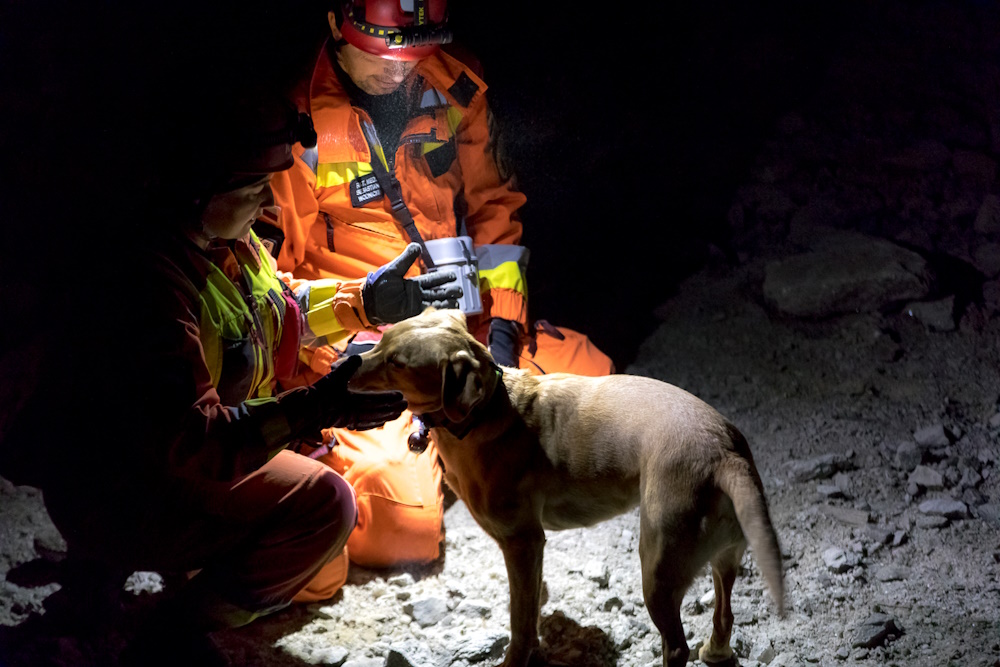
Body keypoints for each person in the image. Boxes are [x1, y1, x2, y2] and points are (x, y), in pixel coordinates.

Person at [0, 90, 461, 666]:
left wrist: (362, 302)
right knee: (324, 505)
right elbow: (192, 440)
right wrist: (316, 409)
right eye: (250, 189)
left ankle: (105, 573)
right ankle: (172, 631)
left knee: (315, 518)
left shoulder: (221, 245)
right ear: (195, 191)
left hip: (159, 466)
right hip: (124, 490)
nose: (267, 199)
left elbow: (275, 311)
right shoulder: (146, 286)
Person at [266, 0, 616, 591]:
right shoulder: (293, 126)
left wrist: (502, 340)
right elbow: (270, 287)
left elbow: (495, 217)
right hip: (370, 355)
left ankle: (452, 453)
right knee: (403, 529)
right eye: (384, 53)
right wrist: (362, 315)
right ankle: (402, 464)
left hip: (464, 334)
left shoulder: (455, 85)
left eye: (415, 51)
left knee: (599, 392)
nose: (401, 69)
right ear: (335, 25)